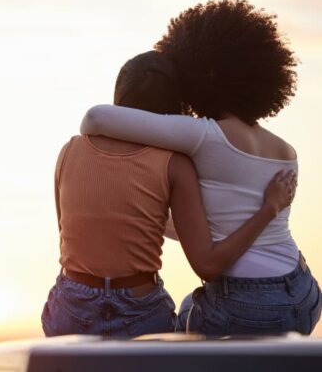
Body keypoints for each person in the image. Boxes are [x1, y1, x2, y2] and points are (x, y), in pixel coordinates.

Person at [80, 0, 321, 335]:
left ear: (201, 75)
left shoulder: (205, 136)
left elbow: (95, 118)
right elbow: (227, 219)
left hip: (245, 305)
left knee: (177, 322)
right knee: (192, 305)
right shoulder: (286, 150)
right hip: (304, 292)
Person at [41, 50, 296, 338]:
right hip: (137, 312)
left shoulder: (69, 151)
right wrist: (267, 209)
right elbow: (208, 265)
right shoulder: (175, 164)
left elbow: (74, 231)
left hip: (70, 307)